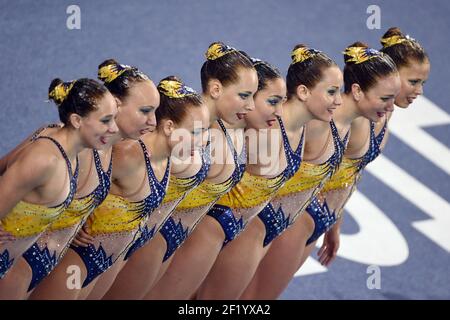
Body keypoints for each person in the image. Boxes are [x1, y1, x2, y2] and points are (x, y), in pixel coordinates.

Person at [241, 42, 402, 299]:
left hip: (307, 218)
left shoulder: (347, 122)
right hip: (278, 218)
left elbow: (343, 176)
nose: (391, 105)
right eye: (385, 97)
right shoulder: (321, 122)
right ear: (358, 91)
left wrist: (334, 221)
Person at [142, 42, 258, 299]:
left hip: (180, 237)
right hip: (152, 237)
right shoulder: (187, 125)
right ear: (216, 88)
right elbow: (131, 157)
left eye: (253, 96)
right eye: (243, 95)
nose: (251, 106)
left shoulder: (227, 126)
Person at [0, 77, 118, 299]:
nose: (113, 128)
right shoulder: (45, 159)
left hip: (15, 264)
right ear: (76, 120)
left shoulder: (69, 154)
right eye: (105, 121)